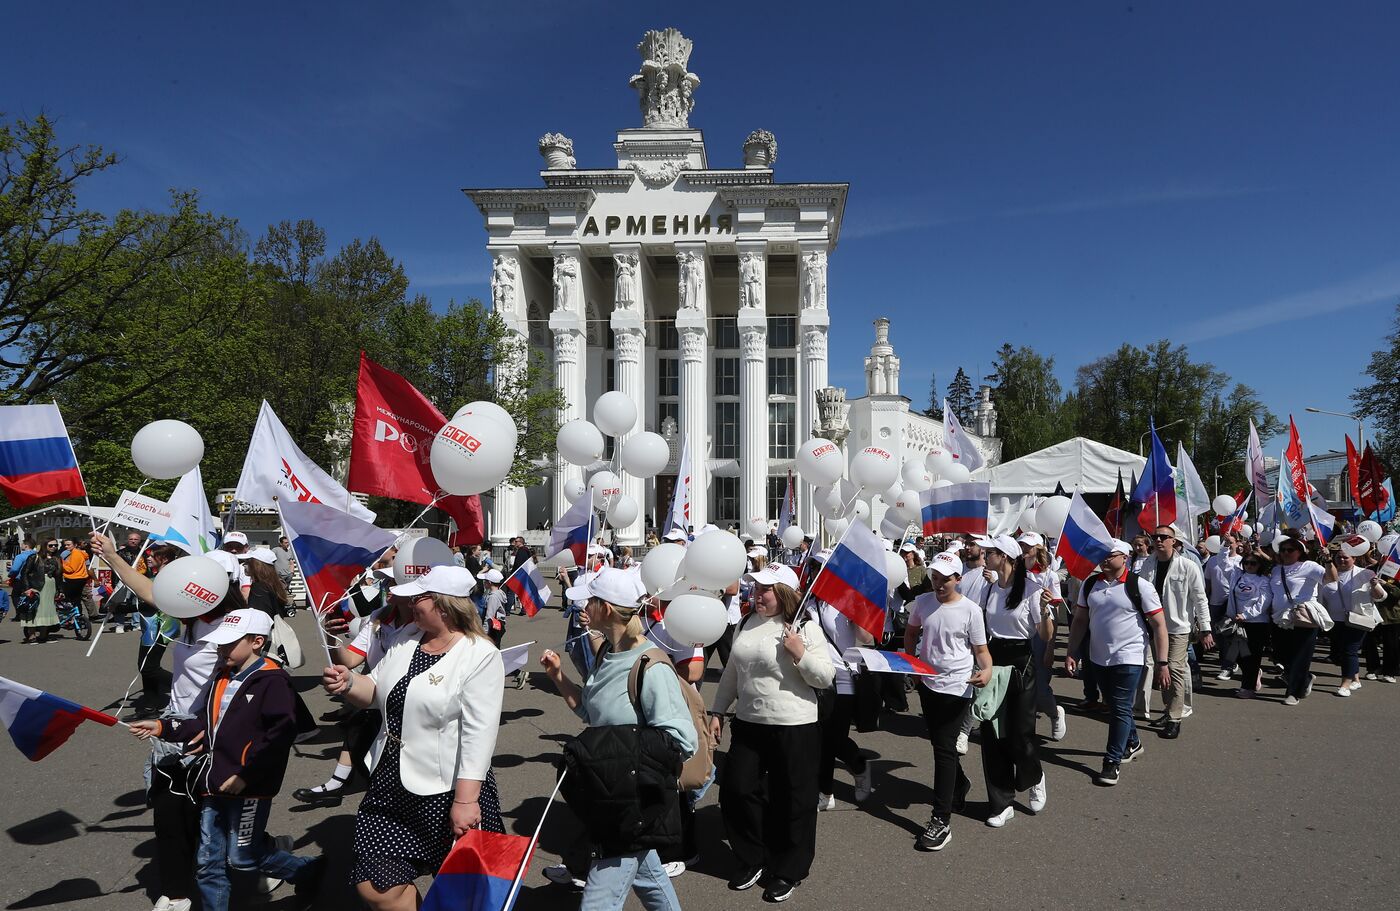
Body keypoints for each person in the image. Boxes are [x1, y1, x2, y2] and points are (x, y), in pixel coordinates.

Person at [322, 565, 506, 911]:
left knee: (466, 895)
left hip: (447, 789)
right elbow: (376, 690)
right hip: (389, 781)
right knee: (377, 885)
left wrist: (466, 802)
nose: (405, 601)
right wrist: (348, 683)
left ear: (443, 605)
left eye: (417, 597)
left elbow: (479, 733)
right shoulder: (406, 636)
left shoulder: (480, 654)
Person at [129, 610, 324, 911]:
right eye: (219, 644)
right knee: (208, 862)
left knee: (243, 856)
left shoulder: (273, 681)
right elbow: (206, 723)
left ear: (257, 642)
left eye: (228, 644)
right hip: (212, 781)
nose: (221, 650)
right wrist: (164, 727)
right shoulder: (221, 675)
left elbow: (280, 735)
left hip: (249, 787)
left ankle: (305, 871)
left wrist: (247, 774)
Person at [93, 530, 247, 911]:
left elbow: (246, 689)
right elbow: (149, 590)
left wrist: (214, 732)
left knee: (214, 821)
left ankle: (263, 858)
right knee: (168, 815)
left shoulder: (236, 629)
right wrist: (112, 555)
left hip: (210, 733)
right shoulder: (189, 617)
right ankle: (176, 892)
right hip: (173, 730)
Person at [539, 568, 695, 911]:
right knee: (649, 877)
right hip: (608, 795)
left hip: (628, 800)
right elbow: (591, 714)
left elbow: (682, 739)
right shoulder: (606, 653)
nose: (583, 610)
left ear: (605, 609)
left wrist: (617, 753)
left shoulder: (651, 665)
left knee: (597, 902)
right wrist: (559, 677)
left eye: (589, 602)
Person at [710, 562, 833, 901]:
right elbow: (732, 672)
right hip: (749, 723)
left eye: (765, 589)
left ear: (783, 594)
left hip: (795, 725)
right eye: (756, 587)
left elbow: (824, 677)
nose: (756, 593)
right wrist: (718, 710)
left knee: (794, 800)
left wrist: (800, 654)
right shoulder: (746, 623)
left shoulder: (804, 627)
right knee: (736, 789)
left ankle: (789, 869)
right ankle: (753, 857)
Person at [904, 551, 992, 851]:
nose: (939, 584)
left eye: (945, 579)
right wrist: (912, 665)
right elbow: (911, 632)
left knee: (944, 748)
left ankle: (941, 820)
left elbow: (981, 651)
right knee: (938, 744)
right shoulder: (924, 603)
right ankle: (959, 783)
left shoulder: (970, 610)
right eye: (935, 578)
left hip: (957, 686)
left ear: (958, 579)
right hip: (928, 683)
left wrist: (987, 671)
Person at [1066, 540, 1169, 787]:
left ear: (1125, 557)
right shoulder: (1091, 584)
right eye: (1102, 555)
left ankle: (1111, 762)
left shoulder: (1139, 586)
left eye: (1110, 555)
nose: (1104, 559)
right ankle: (1133, 742)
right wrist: (1072, 652)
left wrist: (1162, 662)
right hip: (1098, 656)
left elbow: (1159, 626)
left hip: (1130, 656)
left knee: (1120, 707)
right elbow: (1080, 620)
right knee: (1113, 704)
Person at [977, 534, 1050, 825]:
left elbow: (1044, 634)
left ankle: (1035, 776)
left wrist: (1045, 611)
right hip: (994, 659)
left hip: (1022, 660)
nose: (986, 556)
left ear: (1004, 557)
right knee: (993, 734)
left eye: (991, 552)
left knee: (1020, 733)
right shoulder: (990, 588)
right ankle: (1001, 802)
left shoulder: (1032, 589)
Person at [809, 563, 876, 811]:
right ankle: (825, 792)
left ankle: (856, 766)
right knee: (820, 737)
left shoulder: (846, 599)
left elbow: (867, 638)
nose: (819, 574)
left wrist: (859, 609)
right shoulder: (807, 599)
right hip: (813, 675)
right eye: (815, 568)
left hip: (843, 677)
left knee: (832, 738)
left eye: (824, 569)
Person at [1137, 526, 1213, 739]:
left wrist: (1205, 628)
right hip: (1154, 625)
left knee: (1174, 668)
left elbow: (1200, 598)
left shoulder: (1187, 566)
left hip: (1178, 627)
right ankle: (1169, 708)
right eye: (1156, 537)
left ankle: (1175, 718)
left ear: (1174, 541)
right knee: (1163, 670)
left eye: (1164, 537)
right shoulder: (1147, 565)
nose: (1159, 540)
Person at [1014, 533, 1068, 742]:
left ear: (1038, 548)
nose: (1024, 549)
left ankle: (1055, 713)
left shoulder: (1049, 576)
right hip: (1019, 630)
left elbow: (1052, 615)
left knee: (1040, 686)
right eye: (1021, 545)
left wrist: (1050, 647)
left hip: (1040, 631)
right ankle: (1025, 731)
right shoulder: (1016, 573)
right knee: (1020, 683)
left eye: (1028, 546)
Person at [1268, 533, 1327, 705]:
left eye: (1290, 550)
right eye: (1283, 550)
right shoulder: (1276, 569)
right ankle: (1305, 677)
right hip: (1280, 618)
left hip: (1303, 616)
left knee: (1300, 655)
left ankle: (1293, 693)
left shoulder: (1310, 566)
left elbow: (1330, 578)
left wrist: (1328, 560)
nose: (1285, 553)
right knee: (1281, 654)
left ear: (1299, 552)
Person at [1321, 546, 1385, 697]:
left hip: (1358, 619)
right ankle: (1356, 679)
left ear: (1354, 558)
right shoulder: (1328, 573)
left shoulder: (1365, 573)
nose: (1342, 560)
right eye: (1339, 558)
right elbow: (1322, 597)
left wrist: (1375, 584)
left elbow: (1381, 597)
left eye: (1345, 557)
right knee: (1344, 651)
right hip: (1335, 620)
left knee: (1350, 650)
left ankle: (1345, 684)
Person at [1226, 551, 1275, 698]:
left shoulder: (1264, 581)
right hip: (1236, 622)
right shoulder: (1238, 576)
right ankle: (1255, 674)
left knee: (1251, 657)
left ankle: (1248, 687)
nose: (1249, 565)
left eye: (1253, 563)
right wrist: (1226, 545)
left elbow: (1264, 602)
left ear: (1259, 565)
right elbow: (1224, 563)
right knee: (1236, 654)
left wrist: (1246, 615)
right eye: (1246, 562)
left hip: (1257, 623)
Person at [1203, 534, 1242, 679]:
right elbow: (1207, 582)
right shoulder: (1213, 561)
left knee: (1228, 635)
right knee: (1217, 635)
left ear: (1237, 544)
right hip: (1215, 602)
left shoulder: (1241, 561)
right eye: (1226, 542)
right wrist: (1205, 599)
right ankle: (1230, 661)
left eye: (1230, 542)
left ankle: (1227, 665)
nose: (1228, 544)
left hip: (1232, 603)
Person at [18, 538, 61, 643]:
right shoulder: (34, 557)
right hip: (36, 585)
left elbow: (59, 576)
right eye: (50, 545)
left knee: (47, 610)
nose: (53, 547)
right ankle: (32, 636)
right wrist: (27, 588)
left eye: (55, 545)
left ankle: (43, 635)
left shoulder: (56, 559)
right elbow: (25, 573)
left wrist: (60, 590)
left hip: (51, 586)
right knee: (34, 609)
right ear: (44, 545)